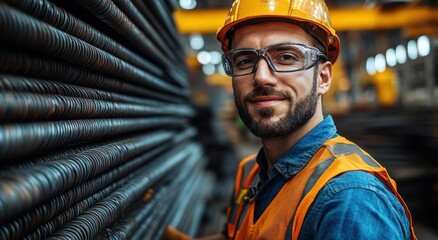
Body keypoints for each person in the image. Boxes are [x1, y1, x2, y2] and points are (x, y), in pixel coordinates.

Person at [162, 0, 417, 239]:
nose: (261, 76)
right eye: (245, 60)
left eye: (286, 57)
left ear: (323, 78)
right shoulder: (251, 172)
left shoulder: (349, 200)